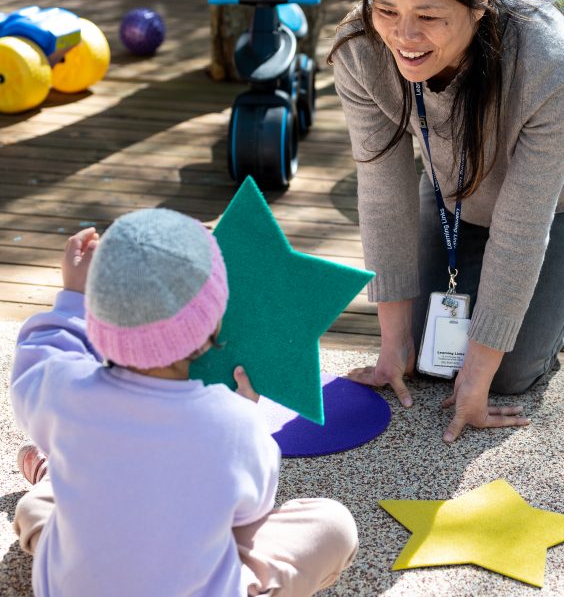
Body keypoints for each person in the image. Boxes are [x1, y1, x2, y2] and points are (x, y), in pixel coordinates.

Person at [329, 0, 564, 443]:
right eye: (386, 9)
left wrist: (480, 375)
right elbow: (382, 194)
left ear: (478, 0)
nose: (403, 37)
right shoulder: (358, 50)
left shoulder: (550, 61)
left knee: (506, 375)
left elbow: (522, 228)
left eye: (430, 16)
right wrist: (390, 347)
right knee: (424, 357)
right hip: (455, 190)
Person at [11, 210, 358, 597]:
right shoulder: (236, 424)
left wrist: (73, 297)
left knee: (40, 507)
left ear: (97, 315)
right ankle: (57, 477)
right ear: (211, 324)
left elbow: (41, 353)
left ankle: (54, 475)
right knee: (333, 524)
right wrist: (244, 414)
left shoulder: (62, 391)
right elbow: (250, 512)